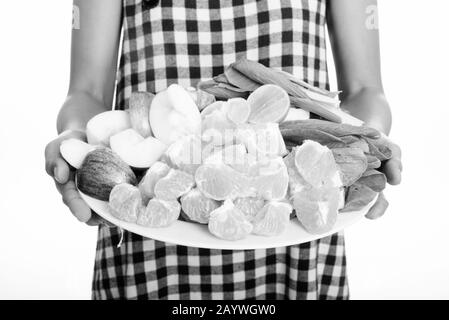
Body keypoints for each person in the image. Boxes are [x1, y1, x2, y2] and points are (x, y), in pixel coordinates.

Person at [45, 0, 402, 299]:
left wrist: (369, 143)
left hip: (298, 233)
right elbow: (87, 90)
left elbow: (365, 89)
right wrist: (75, 137)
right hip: (147, 222)